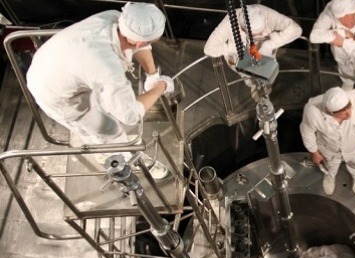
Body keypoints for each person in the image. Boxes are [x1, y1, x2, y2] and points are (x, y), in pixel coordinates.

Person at [26, 2, 174, 166]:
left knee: (104, 106)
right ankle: (123, 158)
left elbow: (139, 45)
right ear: (139, 42)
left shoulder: (114, 18)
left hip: (55, 64)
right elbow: (130, 115)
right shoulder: (105, 66)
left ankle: (98, 139)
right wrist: (160, 87)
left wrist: (152, 75)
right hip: (55, 94)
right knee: (109, 130)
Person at [204, 4, 302, 100]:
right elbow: (209, 48)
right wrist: (231, 48)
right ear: (243, 29)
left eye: (262, 31)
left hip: (265, 52)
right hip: (240, 56)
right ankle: (254, 87)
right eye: (257, 34)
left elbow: (295, 29)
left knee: (267, 75)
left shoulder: (266, 14)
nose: (262, 33)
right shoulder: (229, 23)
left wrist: (271, 43)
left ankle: (266, 87)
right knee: (249, 78)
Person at [300, 87, 355, 195]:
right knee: (330, 165)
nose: (349, 114)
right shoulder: (312, 110)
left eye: (349, 107)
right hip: (328, 149)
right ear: (329, 112)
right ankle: (330, 176)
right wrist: (314, 152)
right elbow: (307, 131)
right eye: (343, 113)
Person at [310, 0, 355, 92]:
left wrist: (344, 43)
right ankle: (348, 81)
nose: (349, 24)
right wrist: (342, 33)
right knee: (344, 67)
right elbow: (314, 36)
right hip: (342, 52)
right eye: (344, 22)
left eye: (353, 18)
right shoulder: (330, 9)